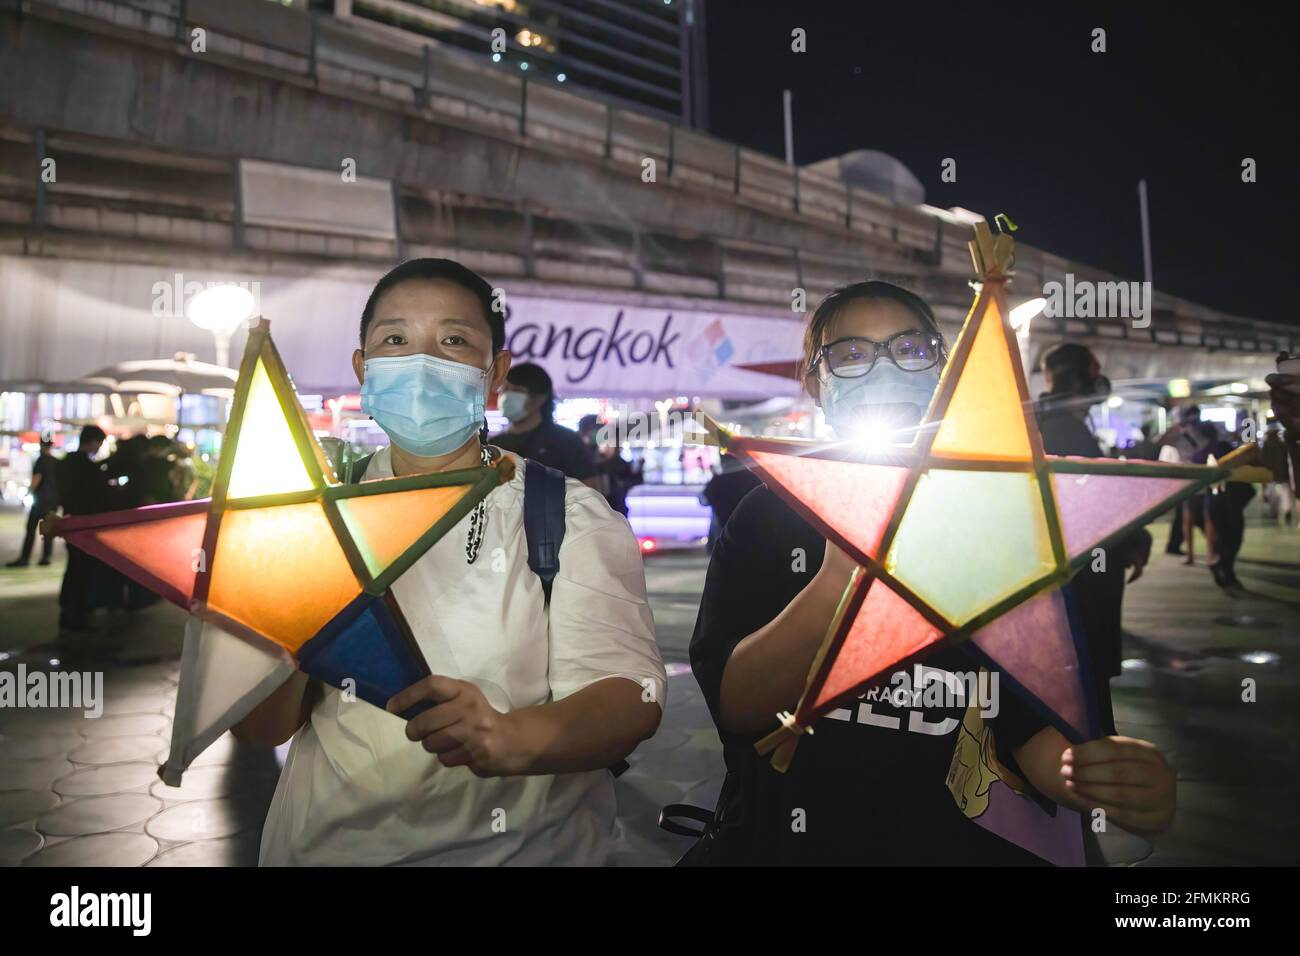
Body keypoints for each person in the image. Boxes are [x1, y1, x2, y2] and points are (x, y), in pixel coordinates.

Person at [689, 281, 1175, 865]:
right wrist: (840, 575)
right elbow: (739, 707)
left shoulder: (1005, 522)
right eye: (850, 354)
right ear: (816, 384)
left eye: (910, 349)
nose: (883, 370)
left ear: (944, 371)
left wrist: (1104, 780)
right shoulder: (770, 515)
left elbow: (1033, 730)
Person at [235, 258, 665, 866]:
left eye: (454, 340)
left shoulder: (566, 516)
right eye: (395, 340)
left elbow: (633, 697)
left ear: (496, 375)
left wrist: (512, 737)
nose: (420, 363)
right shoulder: (306, 522)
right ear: (363, 370)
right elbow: (260, 727)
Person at [1035, 343, 1151, 737]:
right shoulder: (1064, 429)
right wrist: (1136, 536)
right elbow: (1099, 503)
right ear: (1086, 379)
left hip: (1072, 582)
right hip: (1077, 589)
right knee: (1084, 698)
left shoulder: (1049, 422)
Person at [493, 363, 599, 488]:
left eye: (517, 390)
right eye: (505, 389)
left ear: (539, 398)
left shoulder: (566, 441)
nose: (507, 396)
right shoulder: (495, 444)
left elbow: (590, 491)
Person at [52, 425, 109, 630]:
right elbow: (99, 496)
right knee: (84, 569)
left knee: (73, 566)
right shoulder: (90, 468)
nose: (99, 448)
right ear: (93, 442)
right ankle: (80, 611)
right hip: (88, 524)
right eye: (99, 443)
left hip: (70, 521)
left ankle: (67, 607)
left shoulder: (64, 464)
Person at [6, 438, 59, 567]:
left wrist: (28, 493)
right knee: (48, 530)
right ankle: (46, 557)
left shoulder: (41, 460)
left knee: (31, 529)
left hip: (40, 500)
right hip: (53, 501)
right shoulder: (56, 462)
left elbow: (36, 478)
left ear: (41, 445)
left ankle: (25, 558)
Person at [1261, 422, 1295, 527]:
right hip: (1283, 473)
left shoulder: (1266, 445)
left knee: (1272, 494)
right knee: (1285, 493)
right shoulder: (1282, 445)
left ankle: (1273, 512)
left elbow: (1264, 461)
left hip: (1270, 473)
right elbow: (1287, 461)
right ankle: (1287, 509)